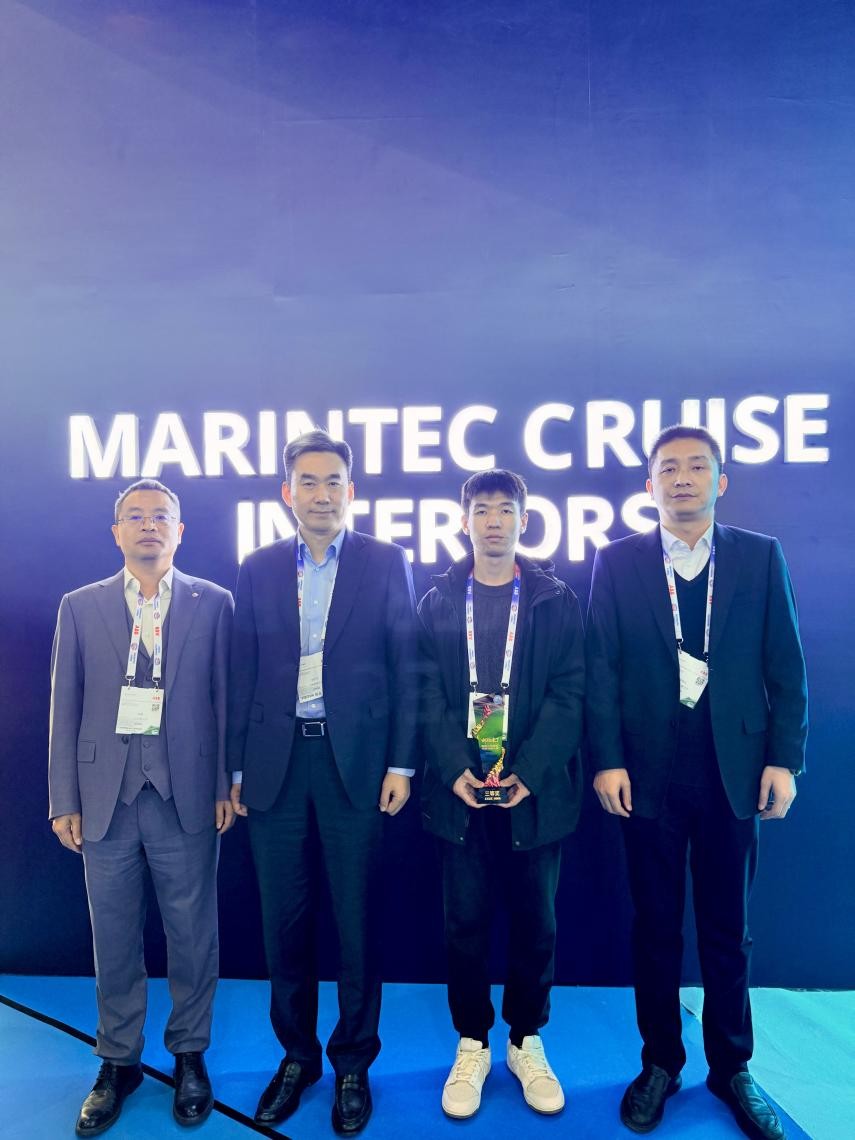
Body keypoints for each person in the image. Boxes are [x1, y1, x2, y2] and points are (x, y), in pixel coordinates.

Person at [585, 425, 807, 1140]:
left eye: (697, 467)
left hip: (732, 770)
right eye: (668, 468)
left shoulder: (759, 556)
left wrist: (783, 759)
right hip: (646, 771)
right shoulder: (617, 561)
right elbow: (600, 669)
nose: (682, 478)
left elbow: (785, 665)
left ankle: (731, 1066)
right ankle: (659, 1061)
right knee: (654, 927)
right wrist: (606, 759)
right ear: (648, 485)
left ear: (720, 481)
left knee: (726, 929)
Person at [228, 429, 419, 1135]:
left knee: (356, 922)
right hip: (275, 768)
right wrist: (235, 769)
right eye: (307, 481)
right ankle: (298, 1057)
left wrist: (402, 763)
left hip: (356, 767)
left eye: (333, 480)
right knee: (283, 924)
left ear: (350, 490)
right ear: (287, 493)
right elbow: (241, 669)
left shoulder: (385, 561)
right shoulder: (257, 567)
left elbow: (406, 665)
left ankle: (352, 1063)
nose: (320, 493)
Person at [49, 479, 235, 1136]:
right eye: (136, 516)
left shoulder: (214, 603)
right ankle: (118, 1060)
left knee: (193, 935)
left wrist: (224, 783)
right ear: (117, 532)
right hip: (104, 797)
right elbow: (64, 705)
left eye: (161, 516)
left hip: (187, 794)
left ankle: (189, 1055)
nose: (148, 525)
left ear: (180, 531)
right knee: (114, 937)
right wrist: (63, 798)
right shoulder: (80, 606)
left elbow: (223, 700)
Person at [418, 469, 585, 1120]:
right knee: (462, 923)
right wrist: (452, 767)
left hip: (533, 794)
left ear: (523, 519)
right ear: (464, 521)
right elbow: (425, 692)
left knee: (536, 923)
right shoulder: (437, 601)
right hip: (459, 793)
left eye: (505, 509)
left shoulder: (554, 600)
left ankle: (524, 1040)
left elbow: (570, 693)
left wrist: (531, 771)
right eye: (481, 509)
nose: (493, 520)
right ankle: (472, 1041)